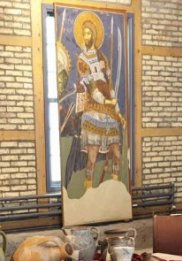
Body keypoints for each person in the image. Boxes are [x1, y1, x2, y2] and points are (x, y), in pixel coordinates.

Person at [73, 11, 124, 190]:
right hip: (93, 108)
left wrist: (118, 111)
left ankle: (115, 187)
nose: (86, 36)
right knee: (92, 157)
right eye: (84, 33)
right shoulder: (82, 60)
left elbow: (109, 87)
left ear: (94, 35)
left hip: (109, 110)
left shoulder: (103, 58)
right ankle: (88, 190)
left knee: (117, 154)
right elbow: (91, 86)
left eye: (88, 33)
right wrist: (105, 102)